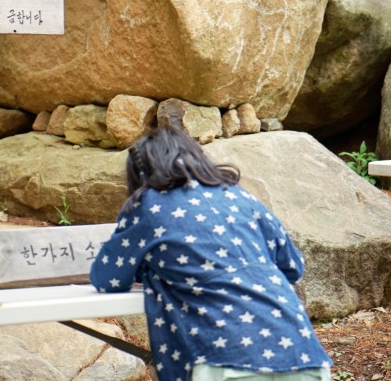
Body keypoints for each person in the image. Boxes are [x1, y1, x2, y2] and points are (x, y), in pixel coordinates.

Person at [89, 126, 331, 381]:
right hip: (302, 354)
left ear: (140, 174)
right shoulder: (239, 196)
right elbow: (293, 266)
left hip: (224, 360)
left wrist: (151, 267)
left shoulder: (147, 203)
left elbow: (107, 278)